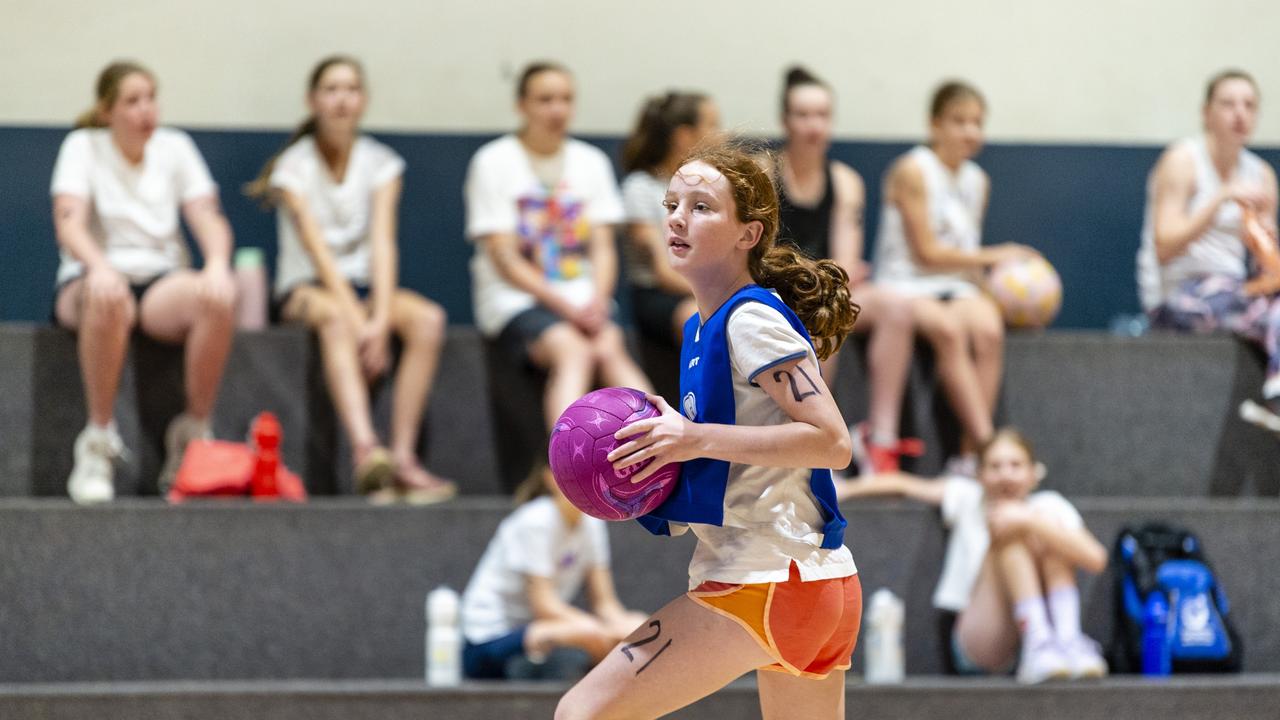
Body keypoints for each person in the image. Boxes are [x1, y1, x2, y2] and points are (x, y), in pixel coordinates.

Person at [556, 142, 861, 720]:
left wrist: (693, 439)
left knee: (582, 714)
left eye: (701, 207)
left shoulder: (750, 319)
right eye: (672, 203)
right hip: (814, 586)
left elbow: (831, 442)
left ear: (750, 233)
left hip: (768, 577)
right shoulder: (706, 324)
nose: (676, 217)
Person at [247, 56, 454, 501]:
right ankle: (366, 451)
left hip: (364, 287)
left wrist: (379, 318)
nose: (342, 99)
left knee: (428, 320)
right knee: (338, 322)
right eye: (331, 89)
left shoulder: (382, 163)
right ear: (312, 100)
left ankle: (402, 459)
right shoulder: (293, 166)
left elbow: (383, 242)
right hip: (308, 288)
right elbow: (316, 249)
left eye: (351, 89)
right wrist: (358, 320)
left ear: (363, 100)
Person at [51, 60, 236, 504]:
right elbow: (69, 223)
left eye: (151, 98)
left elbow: (208, 219)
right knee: (107, 296)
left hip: (160, 282)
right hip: (93, 279)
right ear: (105, 111)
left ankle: (193, 437)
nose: (146, 109)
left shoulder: (176, 147)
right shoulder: (82, 146)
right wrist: (99, 266)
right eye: (133, 101)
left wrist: (216, 264)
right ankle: (97, 441)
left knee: (218, 297)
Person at [465, 62, 653, 431]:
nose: (558, 109)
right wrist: (566, 306)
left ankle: (660, 454)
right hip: (516, 299)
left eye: (566, 99)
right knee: (574, 351)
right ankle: (565, 473)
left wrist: (598, 299)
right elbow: (503, 259)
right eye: (545, 100)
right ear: (522, 106)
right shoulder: (493, 161)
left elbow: (602, 248)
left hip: (583, 297)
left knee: (609, 347)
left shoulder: (591, 162)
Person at [841, 428, 1108, 684]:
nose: (1006, 474)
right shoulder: (968, 497)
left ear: (1033, 473)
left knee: (1049, 529)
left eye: (1015, 465)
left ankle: (1065, 638)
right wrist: (846, 490)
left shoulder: (1049, 504)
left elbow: (1096, 558)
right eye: (995, 466)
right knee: (1006, 527)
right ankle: (1039, 642)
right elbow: (903, 483)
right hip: (982, 638)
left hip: (1056, 657)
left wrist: (1032, 521)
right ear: (979, 474)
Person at [874, 81, 1039, 474]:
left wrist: (1002, 296)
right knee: (948, 330)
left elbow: (965, 255)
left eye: (977, 123)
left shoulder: (977, 180)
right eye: (959, 121)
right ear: (935, 125)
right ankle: (988, 447)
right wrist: (998, 254)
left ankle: (965, 458)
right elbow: (926, 253)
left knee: (987, 328)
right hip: (905, 282)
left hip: (954, 284)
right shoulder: (912, 170)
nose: (970, 132)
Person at [773, 66, 919, 474]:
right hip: (772, 292)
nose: (813, 125)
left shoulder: (846, 182)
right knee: (819, 317)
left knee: (896, 308)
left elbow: (844, 266)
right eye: (803, 115)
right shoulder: (765, 175)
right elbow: (756, 257)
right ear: (785, 121)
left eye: (822, 115)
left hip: (823, 288)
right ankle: (815, 434)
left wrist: (829, 278)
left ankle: (881, 442)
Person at [1135, 69, 1280, 425]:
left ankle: (1276, 397)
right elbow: (1165, 245)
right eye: (1228, 104)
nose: (1239, 114)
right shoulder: (1183, 160)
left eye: (1249, 105)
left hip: (1235, 291)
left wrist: (1266, 255)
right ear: (1206, 113)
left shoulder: (1261, 175)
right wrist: (1220, 199)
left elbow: (1268, 268)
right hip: (1177, 296)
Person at [461, 462, 648, 680]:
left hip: (541, 627)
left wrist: (628, 628)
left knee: (639, 627)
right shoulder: (535, 520)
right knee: (588, 633)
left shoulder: (593, 523)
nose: (584, 483)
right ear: (550, 478)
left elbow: (605, 604)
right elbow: (545, 607)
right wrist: (601, 631)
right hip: (487, 640)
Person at [619, 91, 720, 346]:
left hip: (709, 286)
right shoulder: (640, 188)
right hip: (661, 294)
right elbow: (665, 272)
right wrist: (725, 293)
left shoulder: (713, 185)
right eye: (713, 125)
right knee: (700, 317)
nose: (723, 135)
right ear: (684, 136)